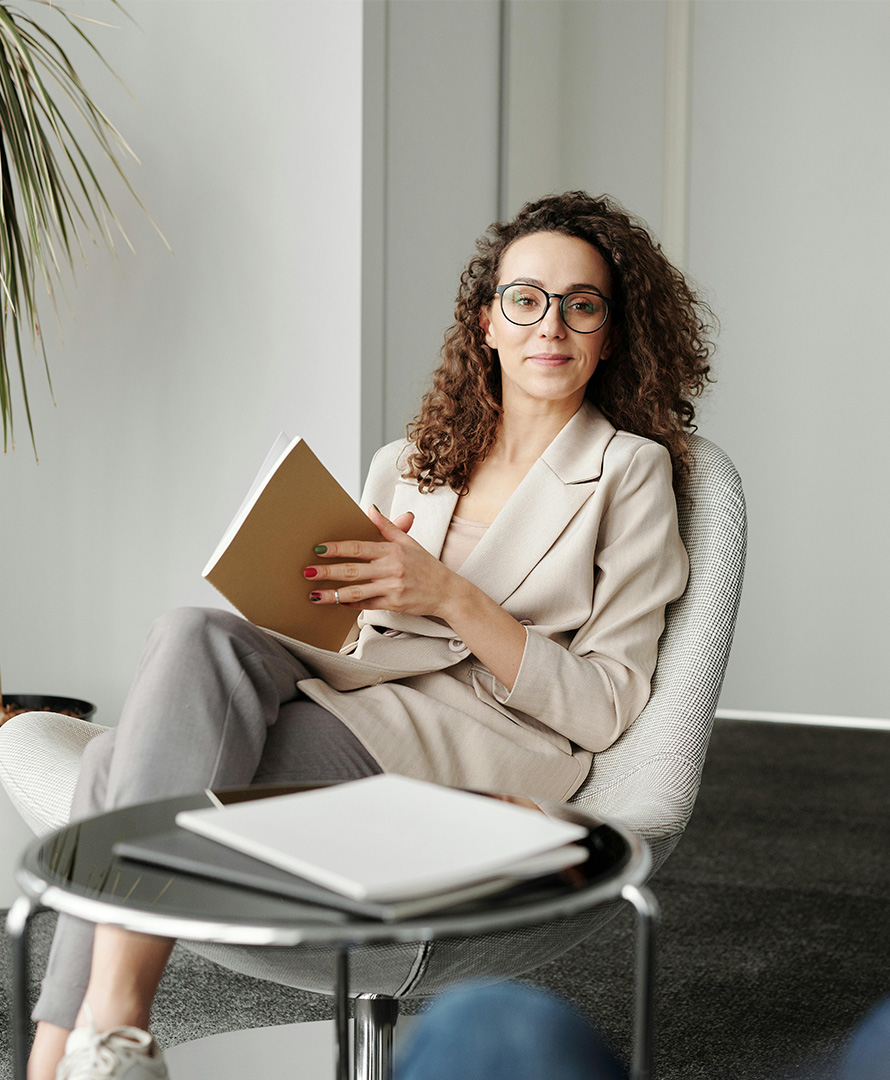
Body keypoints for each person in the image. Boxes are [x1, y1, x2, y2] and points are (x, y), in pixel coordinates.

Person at [29, 190, 715, 1080]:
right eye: (526, 300)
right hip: (356, 689)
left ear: (611, 333)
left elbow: (607, 706)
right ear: (488, 324)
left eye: (582, 304)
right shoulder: (410, 462)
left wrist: (448, 594)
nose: (552, 324)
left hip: (483, 740)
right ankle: (102, 1038)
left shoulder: (630, 471)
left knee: (114, 771)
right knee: (196, 631)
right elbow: (364, 633)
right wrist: (322, 598)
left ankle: (69, 1047)